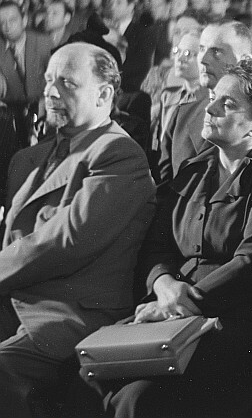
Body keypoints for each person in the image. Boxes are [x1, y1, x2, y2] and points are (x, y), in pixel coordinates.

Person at [100, 61, 252, 418]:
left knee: (139, 399)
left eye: (226, 104)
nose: (208, 109)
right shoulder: (194, 170)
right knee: (90, 371)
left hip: (236, 322)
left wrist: (179, 303)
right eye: (213, 98)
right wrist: (164, 286)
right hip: (175, 315)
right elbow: (157, 247)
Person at [0, 42, 156, 417]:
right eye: (49, 80)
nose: (51, 92)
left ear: (104, 94)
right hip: (16, 300)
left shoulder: (118, 154)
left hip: (69, 314)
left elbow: (65, 242)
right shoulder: (30, 158)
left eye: (67, 83)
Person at [159, 20, 252, 184]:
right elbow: (165, 181)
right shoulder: (183, 112)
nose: (202, 59)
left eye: (216, 52)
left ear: (244, 59)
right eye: (202, 49)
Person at [0, 0, 52, 201]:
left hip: (42, 103)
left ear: (24, 19)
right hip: (11, 109)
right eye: (2, 22)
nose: (7, 26)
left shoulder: (43, 42)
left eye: (12, 20)